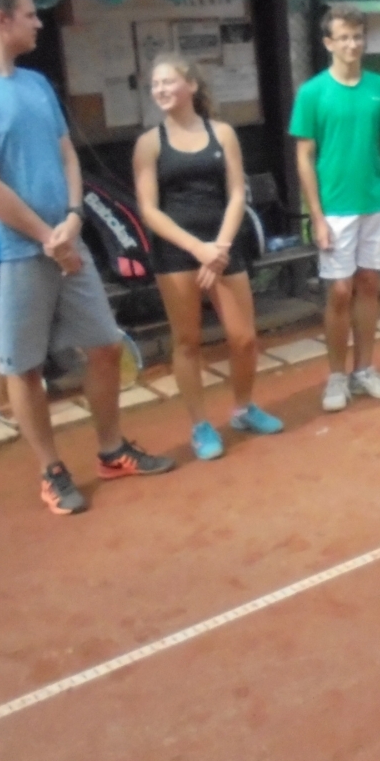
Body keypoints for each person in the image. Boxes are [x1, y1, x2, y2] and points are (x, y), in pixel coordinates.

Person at [0, 0, 175, 515]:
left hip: (68, 244)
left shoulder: (38, 86)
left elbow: (69, 157)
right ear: (2, 20)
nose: (40, 22)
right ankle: (51, 471)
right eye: (31, 14)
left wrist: (71, 219)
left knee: (107, 345)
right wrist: (48, 239)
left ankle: (112, 452)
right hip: (12, 255)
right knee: (24, 369)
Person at [132, 54, 285, 462]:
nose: (161, 90)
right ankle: (200, 425)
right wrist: (196, 248)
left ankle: (243, 408)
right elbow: (149, 210)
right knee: (187, 342)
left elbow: (237, 193)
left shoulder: (223, 134)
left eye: (169, 82)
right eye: (156, 84)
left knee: (244, 337)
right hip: (176, 251)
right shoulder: (149, 144)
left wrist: (218, 247)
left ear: (192, 87)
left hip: (223, 246)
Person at [289, 3, 380, 413]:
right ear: (328, 43)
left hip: (375, 202)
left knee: (370, 283)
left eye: (358, 36)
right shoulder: (312, 93)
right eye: (343, 37)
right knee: (339, 291)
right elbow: (304, 157)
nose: (352, 44)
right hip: (335, 208)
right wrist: (316, 216)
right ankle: (336, 376)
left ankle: (365, 370)